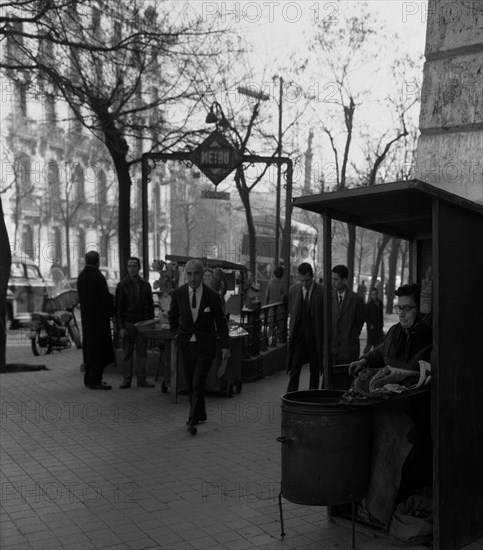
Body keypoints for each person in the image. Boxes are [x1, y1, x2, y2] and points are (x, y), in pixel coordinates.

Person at [348, 283, 433, 525]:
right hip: (384, 405)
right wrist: (364, 360)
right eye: (399, 308)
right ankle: (360, 499)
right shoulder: (395, 331)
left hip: (411, 412)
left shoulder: (429, 335)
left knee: (388, 436)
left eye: (408, 308)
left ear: (421, 309)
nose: (402, 313)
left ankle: (377, 509)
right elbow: (381, 351)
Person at [168, 258, 230, 435]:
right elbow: (172, 317)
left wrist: (225, 346)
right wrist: (177, 333)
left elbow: (221, 323)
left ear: (202, 275)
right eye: (189, 274)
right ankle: (201, 413)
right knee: (190, 381)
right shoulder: (178, 294)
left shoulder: (212, 296)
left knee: (198, 381)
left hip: (206, 346)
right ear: (185, 275)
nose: (192, 278)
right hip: (186, 344)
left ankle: (192, 419)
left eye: (196, 274)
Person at [115, 257, 155, 389]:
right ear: (127, 268)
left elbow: (150, 306)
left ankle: (141, 379)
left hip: (142, 324)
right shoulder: (122, 286)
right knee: (127, 353)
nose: (132, 269)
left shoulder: (145, 285)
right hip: (128, 324)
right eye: (130, 266)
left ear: (139, 268)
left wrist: (150, 324)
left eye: (134, 266)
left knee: (142, 353)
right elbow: (118, 309)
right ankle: (127, 380)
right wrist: (120, 327)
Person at [77, 251, 115, 390]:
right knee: (99, 352)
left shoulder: (81, 276)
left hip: (87, 320)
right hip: (99, 321)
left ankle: (88, 379)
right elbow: (105, 299)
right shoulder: (98, 277)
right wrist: (112, 308)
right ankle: (96, 380)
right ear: (98, 262)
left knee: (89, 351)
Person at [286, 262, 324, 392]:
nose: (304, 284)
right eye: (301, 280)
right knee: (295, 367)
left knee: (315, 369)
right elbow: (293, 311)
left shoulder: (322, 291)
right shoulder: (293, 290)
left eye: (307, 280)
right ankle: (290, 395)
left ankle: (312, 397)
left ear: (312, 276)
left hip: (315, 338)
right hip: (299, 337)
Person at [331, 264, 366, 365]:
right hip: (332, 352)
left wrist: (350, 337)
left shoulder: (356, 300)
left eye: (336, 279)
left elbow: (359, 323)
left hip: (349, 352)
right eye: (332, 279)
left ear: (344, 280)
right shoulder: (329, 298)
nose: (333, 282)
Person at [363, 287, 384, 353]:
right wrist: (370, 325)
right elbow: (365, 317)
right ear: (371, 295)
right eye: (373, 294)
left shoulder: (380, 303)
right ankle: (364, 357)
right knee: (369, 344)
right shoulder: (368, 304)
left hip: (378, 327)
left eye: (375, 294)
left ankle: (373, 359)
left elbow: (381, 315)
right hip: (371, 328)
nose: (374, 296)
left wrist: (382, 324)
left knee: (377, 345)